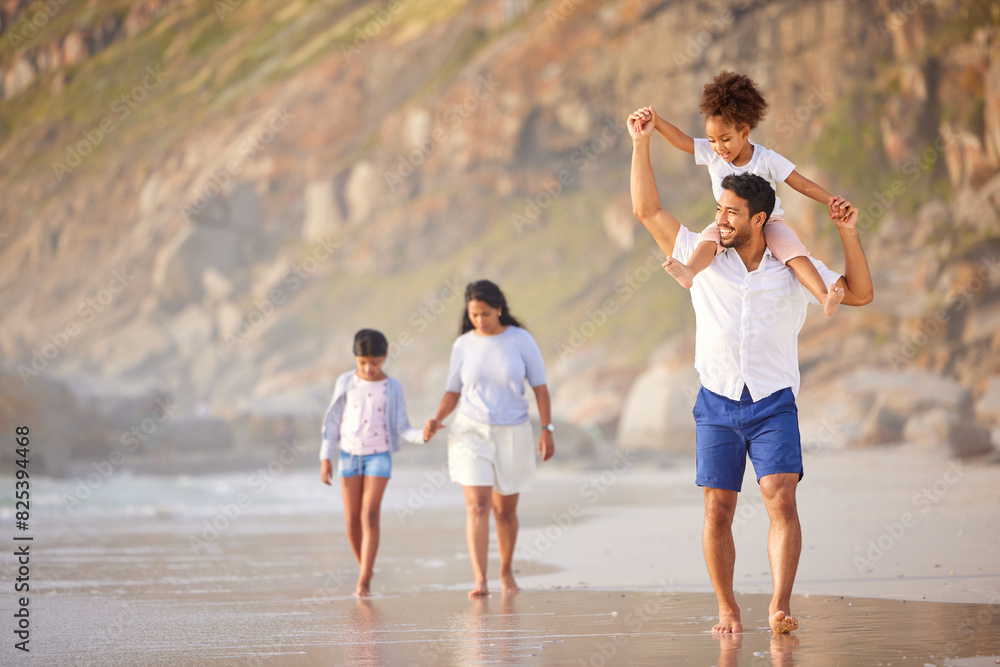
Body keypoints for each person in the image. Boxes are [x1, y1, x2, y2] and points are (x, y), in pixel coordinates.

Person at [628, 108, 873, 634]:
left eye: (732, 213)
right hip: (716, 400)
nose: (722, 220)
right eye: (720, 209)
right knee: (718, 510)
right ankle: (727, 608)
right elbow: (647, 210)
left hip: (773, 401)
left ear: (760, 219)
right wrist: (641, 143)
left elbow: (859, 294)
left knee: (780, 496)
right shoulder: (704, 251)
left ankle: (780, 605)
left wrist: (848, 233)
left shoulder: (791, 265)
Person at [634, 70, 848, 316]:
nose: (718, 147)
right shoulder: (712, 153)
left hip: (768, 220)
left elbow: (800, 183)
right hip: (729, 219)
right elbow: (682, 140)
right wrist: (657, 122)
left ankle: (823, 297)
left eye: (725, 139)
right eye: (712, 140)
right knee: (709, 239)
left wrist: (829, 200)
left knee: (793, 252)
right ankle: (689, 272)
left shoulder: (766, 159)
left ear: (745, 133)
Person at [423, 280, 555, 599]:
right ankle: (480, 578)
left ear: (498, 308)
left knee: (504, 511)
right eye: (473, 315)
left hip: (513, 431)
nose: (479, 321)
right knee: (477, 505)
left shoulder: (521, 340)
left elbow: (539, 387)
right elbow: (454, 390)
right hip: (470, 429)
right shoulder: (464, 345)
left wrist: (547, 429)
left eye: (484, 314)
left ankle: (505, 570)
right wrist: (437, 419)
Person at [319, 329, 425, 597]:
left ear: (385, 357)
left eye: (375, 363)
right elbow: (332, 422)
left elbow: (402, 426)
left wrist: (422, 435)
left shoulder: (393, 387)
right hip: (348, 455)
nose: (368, 369)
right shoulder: (345, 382)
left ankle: (364, 580)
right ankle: (365, 566)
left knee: (370, 514)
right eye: (362, 362)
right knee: (352, 521)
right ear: (355, 359)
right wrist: (325, 458)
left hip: (379, 456)